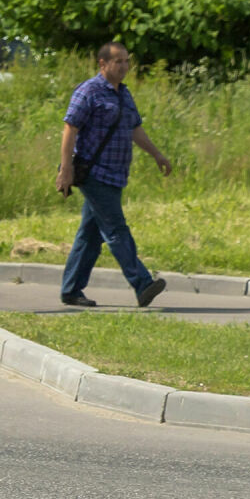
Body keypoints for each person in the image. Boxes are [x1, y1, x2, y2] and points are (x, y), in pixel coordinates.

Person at [55, 42, 171, 308]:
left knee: (90, 235)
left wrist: (158, 155)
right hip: (94, 173)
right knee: (116, 229)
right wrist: (66, 169)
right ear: (103, 64)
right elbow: (69, 128)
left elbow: (134, 130)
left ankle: (71, 289)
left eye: (127, 61)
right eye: (118, 61)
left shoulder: (124, 94)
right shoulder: (89, 91)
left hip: (116, 174)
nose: (124, 66)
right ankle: (142, 283)